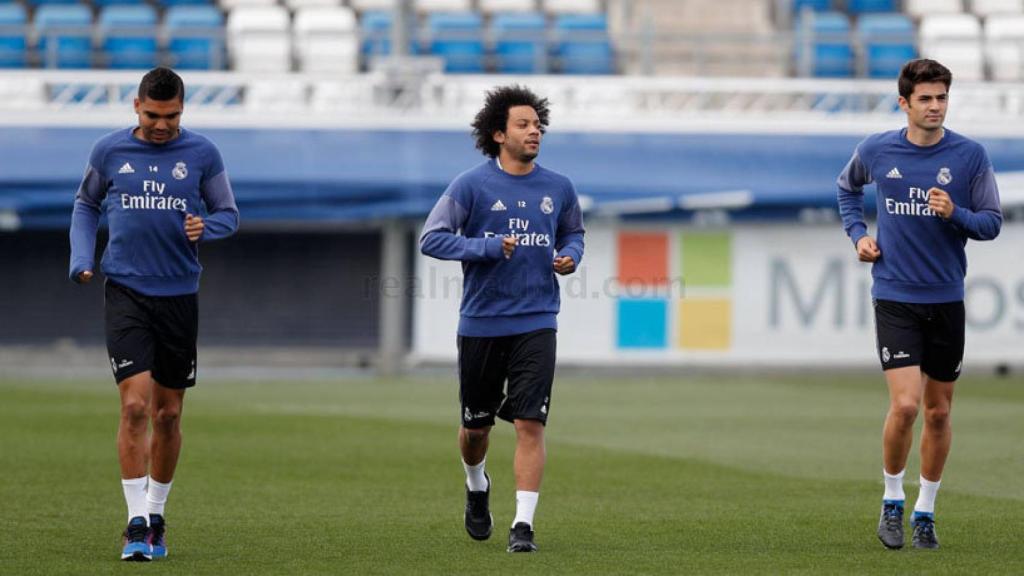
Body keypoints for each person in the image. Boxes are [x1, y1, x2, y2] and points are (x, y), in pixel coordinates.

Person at [69, 67, 239, 561]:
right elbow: (86, 205)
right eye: (152, 115)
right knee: (136, 406)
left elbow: (228, 214)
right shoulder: (109, 151)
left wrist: (205, 226)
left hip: (179, 296)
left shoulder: (203, 154)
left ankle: (158, 515)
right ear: (135, 107)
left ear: (182, 110)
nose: (162, 125)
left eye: (172, 116)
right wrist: (82, 259)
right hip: (125, 291)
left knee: (167, 413)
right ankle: (135, 523)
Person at [837, 59, 1001, 550]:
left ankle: (925, 509)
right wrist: (858, 236)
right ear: (904, 102)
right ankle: (892, 501)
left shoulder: (970, 157)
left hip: (946, 297)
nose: (935, 106)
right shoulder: (877, 149)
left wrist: (957, 214)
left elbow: (991, 223)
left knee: (938, 413)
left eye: (942, 97)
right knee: (905, 405)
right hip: (895, 295)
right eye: (925, 98)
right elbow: (847, 188)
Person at [419, 85, 585, 553]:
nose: (535, 131)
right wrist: (485, 247)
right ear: (498, 134)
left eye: (538, 125)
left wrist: (571, 255)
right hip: (481, 325)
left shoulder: (559, 187)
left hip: (537, 321)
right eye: (524, 124)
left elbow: (573, 233)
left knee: (531, 424)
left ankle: (523, 527)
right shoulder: (471, 185)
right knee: (476, 430)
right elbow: (431, 238)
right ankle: (476, 485)